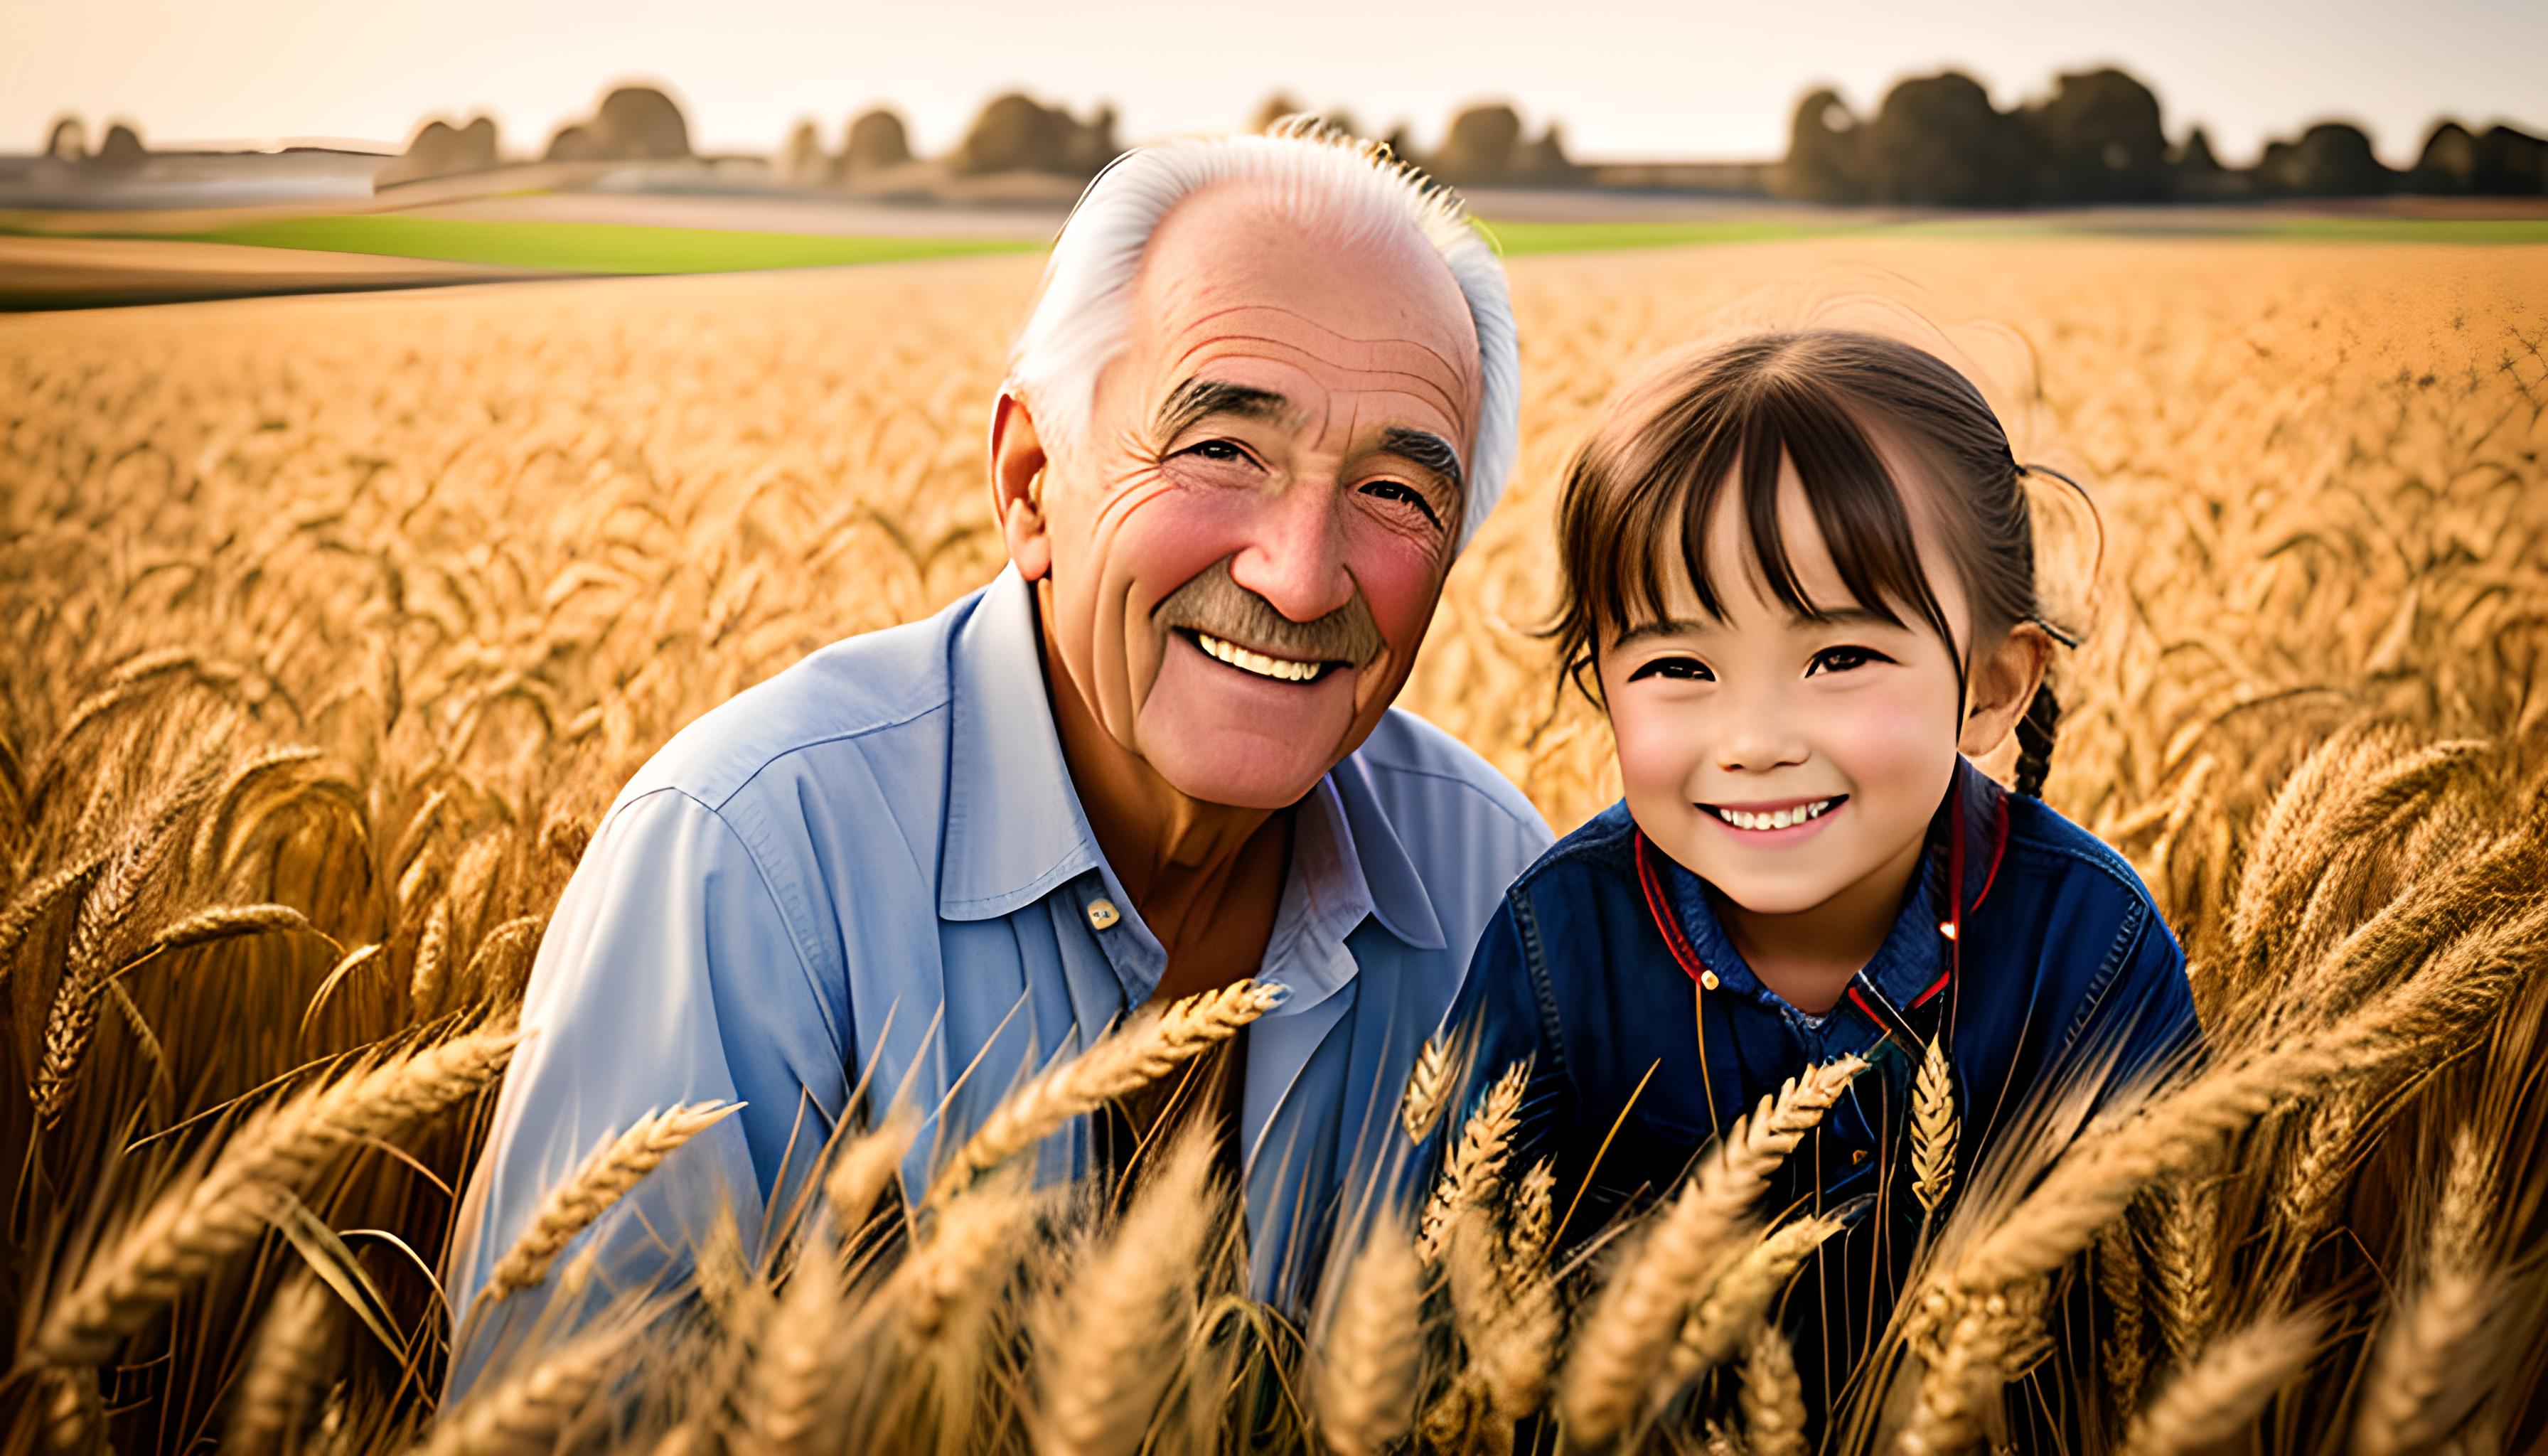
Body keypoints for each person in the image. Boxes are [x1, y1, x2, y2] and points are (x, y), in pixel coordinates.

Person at [441, 122, 1549, 1395]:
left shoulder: (1491, 883)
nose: (1299, 580)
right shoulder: (749, 859)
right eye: (1221, 450)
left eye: (1398, 493)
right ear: (1031, 483)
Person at [1438, 329, 2198, 1428]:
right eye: (1679, 668)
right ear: (1602, 689)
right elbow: (1453, 1281)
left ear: (1992, 686)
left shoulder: (2087, 943)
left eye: (1838, 658)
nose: (1754, 741)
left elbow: (2160, 1315)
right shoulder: (1562, 942)